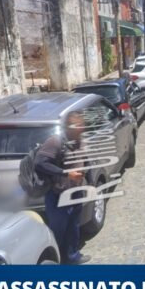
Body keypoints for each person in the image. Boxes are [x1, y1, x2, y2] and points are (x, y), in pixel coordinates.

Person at [35, 111, 91, 265]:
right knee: (58, 232)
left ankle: (73, 257)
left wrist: (90, 183)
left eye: (82, 125)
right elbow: (40, 163)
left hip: (76, 192)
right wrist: (66, 173)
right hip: (58, 195)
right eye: (77, 125)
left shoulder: (81, 140)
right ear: (68, 127)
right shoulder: (55, 141)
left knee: (73, 227)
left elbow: (86, 161)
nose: (81, 128)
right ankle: (56, 263)